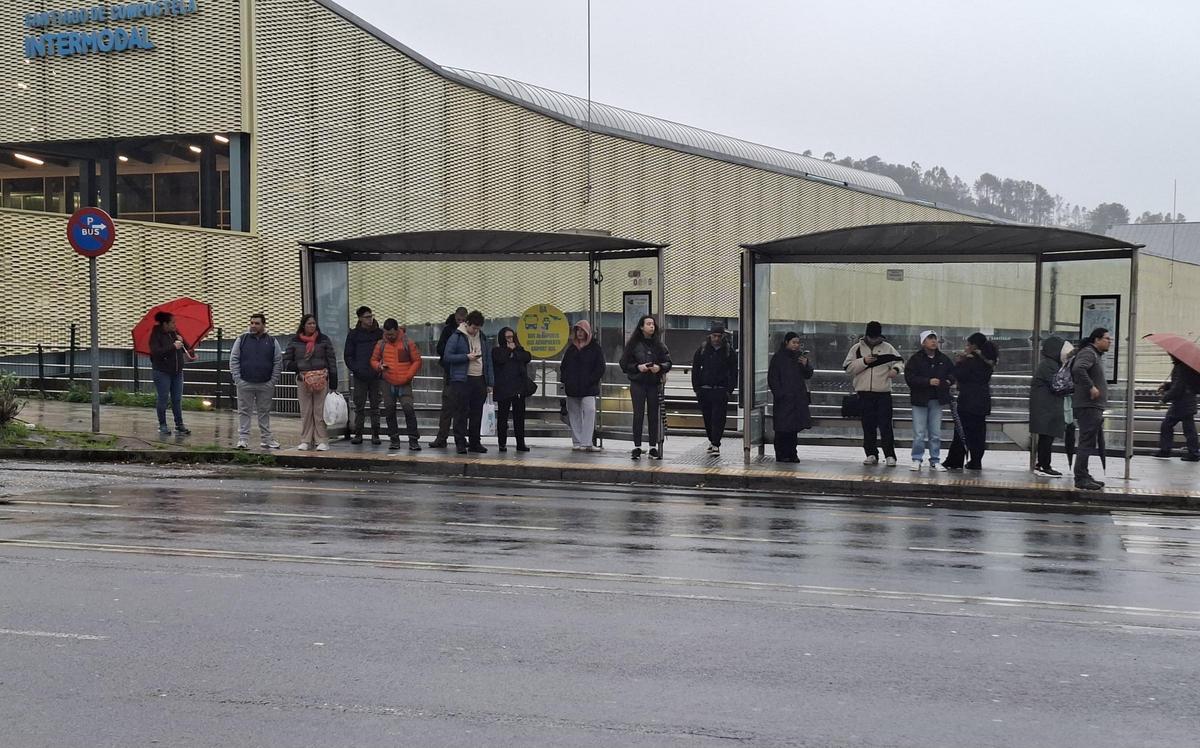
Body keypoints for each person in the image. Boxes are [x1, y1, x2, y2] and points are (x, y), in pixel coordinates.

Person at [843, 321, 904, 467]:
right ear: (867, 335)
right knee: (868, 425)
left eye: (876, 337)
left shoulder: (888, 347)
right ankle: (871, 454)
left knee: (885, 425)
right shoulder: (856, 348)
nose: (874, 340)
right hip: (864, 394)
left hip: (883, 393)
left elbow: (899, 361)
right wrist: (863, 361)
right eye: (871, 337)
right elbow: (848, 368)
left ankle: (890, 455)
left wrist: (895, 370)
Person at [282, 314, 338, 451]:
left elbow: (331, 359)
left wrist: (333, 380)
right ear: (303, 325)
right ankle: (306, 440)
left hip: (321, 379)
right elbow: (287, 361)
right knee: (306, 410)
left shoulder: (323, 340)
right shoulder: (294, 341)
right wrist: (299, 367)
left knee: (319, 411)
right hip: (303, 379)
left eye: (314, 323)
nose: (312, 326)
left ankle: (322, 440)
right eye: (309, 324)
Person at [943, 332, 998, 471]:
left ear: (973, 346)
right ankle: (976, 460)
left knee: (962, 431)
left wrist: (959, 362)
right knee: (979, 433)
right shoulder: (988, 362)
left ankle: (955, 460)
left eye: (967, 344)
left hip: (968, 401)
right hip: (982, 401)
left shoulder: (970, 361)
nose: (965, 347)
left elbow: (957, 374)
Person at [620, 314, 672, 460]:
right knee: (638, 415)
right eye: (648, 324)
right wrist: (638, 367)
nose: (651, 326)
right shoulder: (633, 344)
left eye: (653, 324)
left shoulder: (659, 344)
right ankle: (637, 446)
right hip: (638, 382)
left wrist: (659, 367)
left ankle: (653, 447)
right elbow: (624, 364)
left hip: (653, 383)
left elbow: (668, 362)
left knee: (653, 415)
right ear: (641, 327)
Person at [442, 310, 494, 454]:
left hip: (479, 379)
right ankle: (460, 442)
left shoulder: (482, 338)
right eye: (473, 328)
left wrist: (490, 382)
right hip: (462, 379)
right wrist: (466, 357)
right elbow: (448, 356)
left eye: (478, 328)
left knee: (477, 412)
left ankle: (475, 442)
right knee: (461, 412)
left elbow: (488, 360)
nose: (475, 331)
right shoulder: (457, 336)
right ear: (468, 323)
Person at [229, 313, 283, 450]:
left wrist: (273, 380)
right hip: (245, 382)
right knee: (244, 411)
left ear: (263, 325)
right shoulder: (242, 339)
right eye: (252, 323)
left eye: (257, 323)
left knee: (264, 412)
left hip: (265, 383)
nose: (253, 325)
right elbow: (234, 359)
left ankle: (266, 439)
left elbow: (278, 361)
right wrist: (238, 379)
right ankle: (243, 439)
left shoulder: (272, 341)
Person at [905, 330, 954, 471]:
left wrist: (947, 382)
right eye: (929, 338)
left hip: (937, 400)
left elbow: (952, 374)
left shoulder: (943, 359)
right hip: (920, 400)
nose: (933, 341)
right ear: (923, 342)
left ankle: (935, 459)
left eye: (935, 338)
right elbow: (910, 378)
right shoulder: (915, 359)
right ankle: (916, 458)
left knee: (935, 433)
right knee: (919, 433)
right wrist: (928, 381)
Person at [371, 318, 423, 451]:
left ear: (397, 330)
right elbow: (373, 360)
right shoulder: (381, 344)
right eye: (387, 334)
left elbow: (417, 360)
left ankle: (413, 440)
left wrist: (408, 375)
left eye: (392, 334)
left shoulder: (407, 343)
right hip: (387, 381)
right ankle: (394, 439)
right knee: (389, 410)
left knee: (408, 409)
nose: (389, 337)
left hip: (404, 382)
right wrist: (379, 366)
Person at [1071, 327, 1112, 490]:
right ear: (1097, 339)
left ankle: (1084, 473)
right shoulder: (1089, 353)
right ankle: (1081, 477)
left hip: (1093, 405)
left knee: (1088, 441)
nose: (1109, 342)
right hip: (1088, 405)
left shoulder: (1094, 355)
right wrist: (1091, 387)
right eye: (1107, 338)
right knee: (1086, 441)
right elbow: (1078, 368)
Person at [1029, 337, 1072, 477]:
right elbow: (1058, 385)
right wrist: (1075, 386)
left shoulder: (1051, 364)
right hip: (1045, 408)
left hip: (1047, 407)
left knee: (1047, 437)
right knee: (1046, 437)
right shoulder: (1049, 365)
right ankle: (1044, 464)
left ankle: (1043, 463)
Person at [691, 322, 738, 455]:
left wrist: (729, 389)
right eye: (714, 336)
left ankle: (716, 442)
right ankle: (712, 440)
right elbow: (695, 369)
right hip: (705, 389)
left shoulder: (729, 351)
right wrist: (697, 388)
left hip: (721, 389)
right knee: (707, 417)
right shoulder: (703, 349)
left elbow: (734, 372)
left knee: (719, 417)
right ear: (710, 336)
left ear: (723, 336)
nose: (716, 339)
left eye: (719, 336)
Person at [560, 319, 606, 452]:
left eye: (582, 330)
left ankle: (586, 442)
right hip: (572, 387)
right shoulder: (571, 349)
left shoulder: (595, 348)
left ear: (587, 332)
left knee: (590, 411)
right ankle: (577, 441)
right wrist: (566, 380)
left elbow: (600, 367)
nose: (579, 333)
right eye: (577, 330)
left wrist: (591, 380)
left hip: (589, 387)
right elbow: (564, 367)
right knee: (574, 414)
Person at [148, 311, 197, 436]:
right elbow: (156, 352)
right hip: (162, 371)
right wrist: (173, 346)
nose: (175, 324)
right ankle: (163, 425)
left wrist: (191, 353)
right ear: (165, 324)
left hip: (177, 372)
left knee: (177, 399)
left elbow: (186, 346)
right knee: (163, 398)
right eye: (173, 322)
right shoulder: (156, 335)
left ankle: (179, 425)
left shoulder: (175, 333)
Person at [768, 332, 814, 463]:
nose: (796, 345)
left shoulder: (799, 357)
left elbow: (808, 374)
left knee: (794, 428)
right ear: (786, 342)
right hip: (783, 399)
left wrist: (806, 364)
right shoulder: (778, 358)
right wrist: (780, 394)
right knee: (782, 428)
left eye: (798, 343)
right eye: (793, 342)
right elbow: (773, 378)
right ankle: (781, 454)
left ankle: (792, 453)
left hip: (797, 399)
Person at [429, 306, 468, 448]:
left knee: (461, 408)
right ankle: (443, 437)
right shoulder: (449, 330)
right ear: (455, 317)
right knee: (448, 406)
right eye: (459, 320)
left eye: (463, 320)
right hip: (451, 372)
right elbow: (440, 348)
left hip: (461, 372)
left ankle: (459, 437)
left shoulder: (464, 330)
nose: (461, 322)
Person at [344, 306, 383, 445]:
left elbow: (385, 352)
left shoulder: (379, 333)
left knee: (375, 406)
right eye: (367, 317)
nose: (370, 319)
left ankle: (376, 434)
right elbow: (348, 355)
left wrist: (380, 368)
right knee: (359, 406)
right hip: (360, 375)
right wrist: (356, 369)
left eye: (371, 316)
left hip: (376, 375)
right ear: (360, 318)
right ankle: (358, 433)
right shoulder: (354, 335)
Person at [492, 326, 533, 453]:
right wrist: (508, 351)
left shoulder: (518, 349)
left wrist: (514, 351)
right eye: (507, 337)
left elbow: (527, 357)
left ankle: (520, 443)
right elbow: (499, 360)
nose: (510, 340)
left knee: (519, 418)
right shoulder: (497, 350)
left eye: (511, 337)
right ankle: (502, 443)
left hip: (518, 388)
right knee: (503, 417)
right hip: (504, 389)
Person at [1155, 355, 1199, 462]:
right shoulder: (1183, 366)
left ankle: (1166, 450)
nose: (1170, 356)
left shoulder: (1182, 367)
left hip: (1182, 403)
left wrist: (1163, 399)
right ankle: (1193, 453)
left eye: (1171, 354)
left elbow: (1178, 387)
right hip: (1186, 401)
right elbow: (1180, 383)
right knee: (1189, 429)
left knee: (1167, 425)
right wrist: (1166, 386)